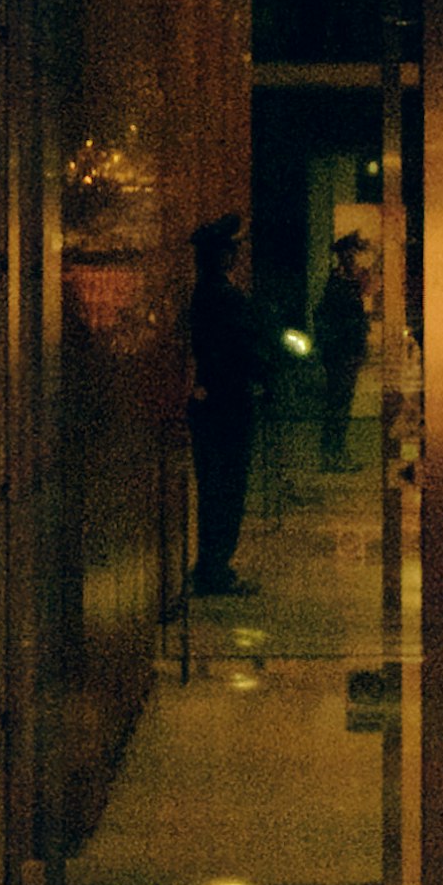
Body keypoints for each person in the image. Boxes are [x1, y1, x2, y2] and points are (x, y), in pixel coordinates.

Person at [183, 212, 261, 599]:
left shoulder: (206, 294)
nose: (238, 255)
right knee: (226, 491)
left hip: (214, 404)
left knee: (215, 489)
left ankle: (213, 565)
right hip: (228, 405)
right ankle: (215, 568)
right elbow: (241, 351)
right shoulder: (223, 298)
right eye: (233, 249)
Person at [316, 225, 373, 470]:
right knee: (338, 406)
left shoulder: (342, 282)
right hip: (342, 355)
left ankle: (334, 453)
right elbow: (345, 321)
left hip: (345, 353)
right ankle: (333, 454)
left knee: (340, 406)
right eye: (351, 253)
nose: (354, 258)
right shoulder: (340, 285)